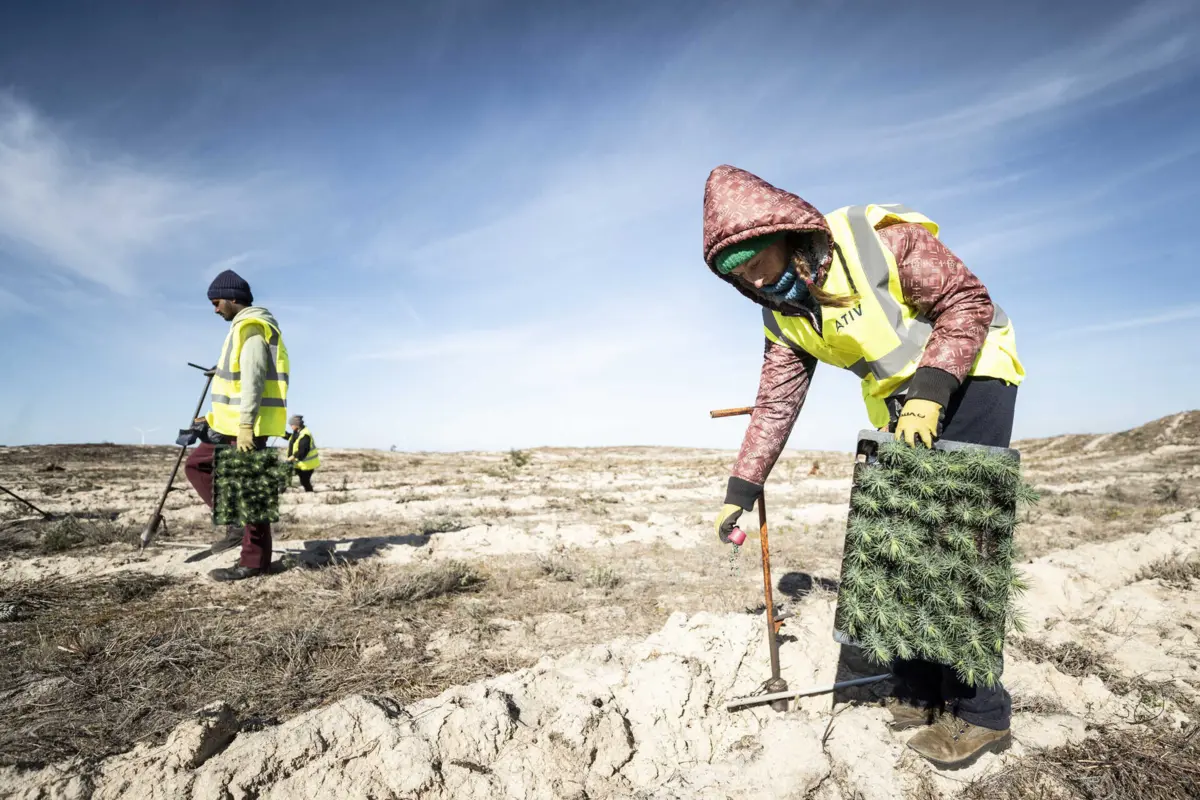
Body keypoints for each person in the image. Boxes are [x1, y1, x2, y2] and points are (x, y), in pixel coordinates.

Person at [703, 165, 1025, 770]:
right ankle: (922, 688)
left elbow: (967, 300)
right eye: (737, 273)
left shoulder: (874, 242)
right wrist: (741, 490)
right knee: (899, 548)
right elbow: (776, 402)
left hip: (972, 380)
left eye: (756, 259)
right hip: (901, 407)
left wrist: (932, 389)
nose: (753, 277)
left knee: (958, 552)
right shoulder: (783, 312)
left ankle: (981, 713)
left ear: (785, 233)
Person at [184, 269, 290, 582]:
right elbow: (236, 378)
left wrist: (245, 426)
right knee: (197, 465)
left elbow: (254, 379)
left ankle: (254, 562)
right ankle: (236, 523)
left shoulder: (252, 328)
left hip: (247, 428)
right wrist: (211, 416)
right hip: (229, 426)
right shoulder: (240, 329)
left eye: (216, 302)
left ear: (233, 298)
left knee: (250, 492)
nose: (215, 309)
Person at [285, 415, 320, 492]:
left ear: (296, 425)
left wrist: (292, 457)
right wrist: (282, 434)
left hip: (307, 465)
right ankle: (282, 491)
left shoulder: (305, 435)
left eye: (291, 424)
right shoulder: (297, 432)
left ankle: (310, 493)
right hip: (299, 464)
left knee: (305, 481)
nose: (290, 426)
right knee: (286, 477)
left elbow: (302, 451)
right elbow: (291, 438)